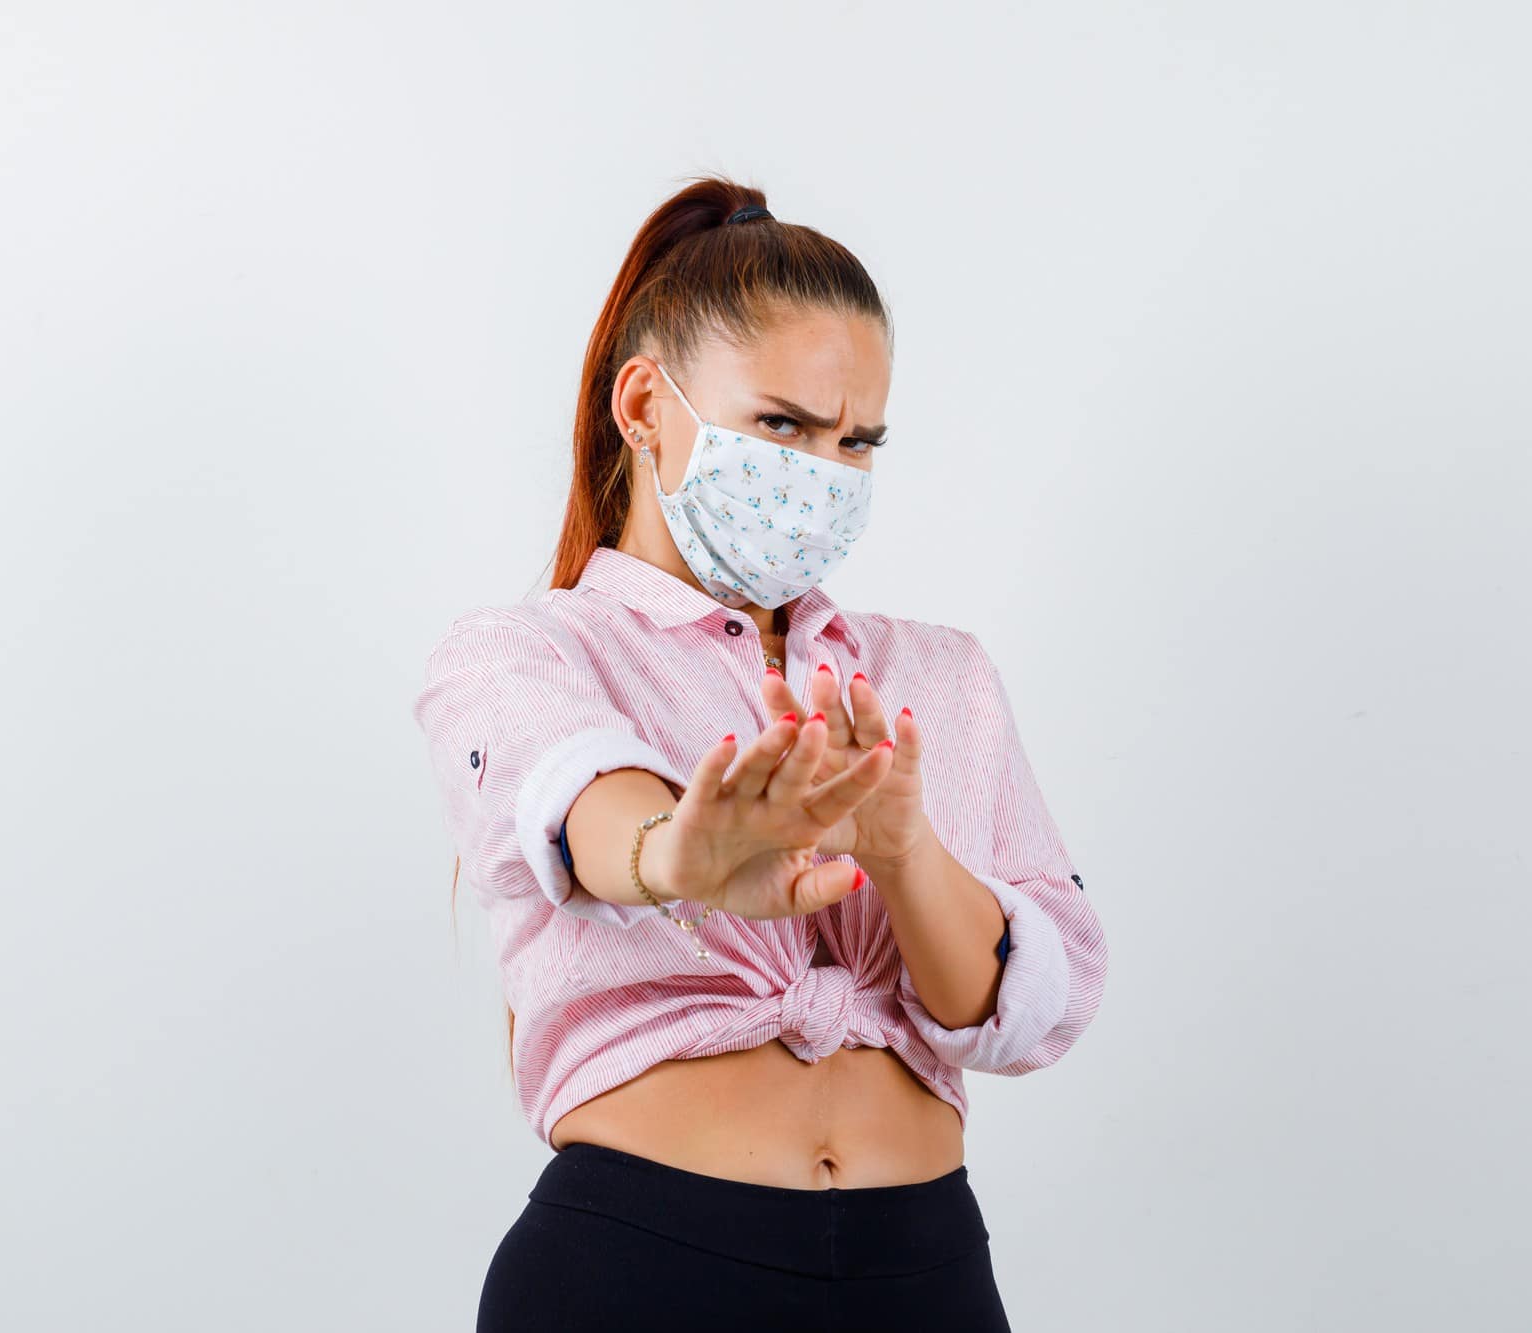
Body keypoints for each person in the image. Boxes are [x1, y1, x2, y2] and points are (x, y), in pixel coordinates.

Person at [412, 176, 1109, 1332]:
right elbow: (579, 798)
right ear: (645, 404)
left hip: (922, 1273)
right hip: (639, 1273)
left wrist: (902, 847)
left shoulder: (940, 677)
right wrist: (677, 853)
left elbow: (1026, 1011)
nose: (821, 473)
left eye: (856, 441)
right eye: (782, 426)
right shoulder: (524, 653)